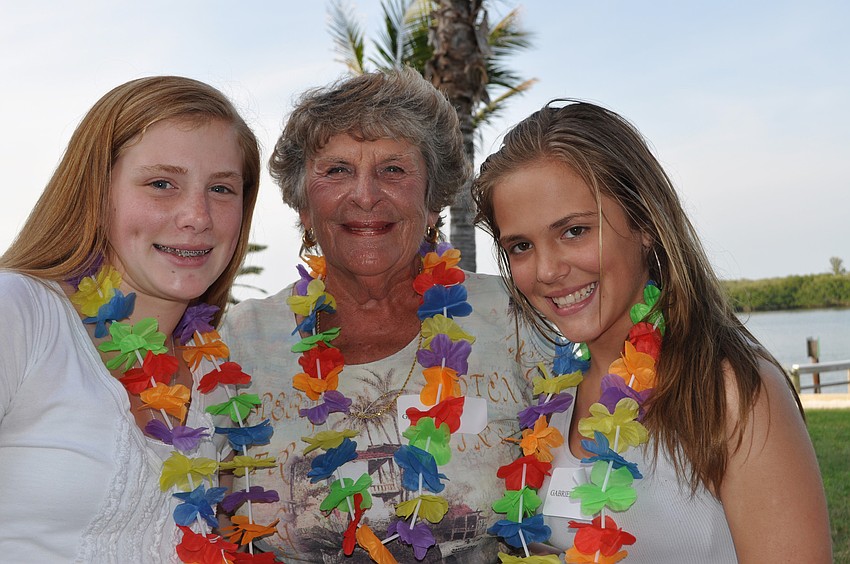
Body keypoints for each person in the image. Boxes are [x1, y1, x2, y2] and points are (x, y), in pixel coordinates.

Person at [472, 101, 832, 563]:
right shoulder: (548, 397)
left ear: (645, 223)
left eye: (575, 231)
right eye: (520, 246)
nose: (546, 270)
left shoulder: (730, 390)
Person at [221, 67, 548, 563]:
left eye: (393, 169)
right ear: (304, 207)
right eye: (336, 170)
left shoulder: (517, 316)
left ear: (433, 200)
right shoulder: (237, 342)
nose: (366, 195)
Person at [0, 76, 263, 562]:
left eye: (222, 188)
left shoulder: (217, 379)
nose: (197, 215)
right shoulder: (21, 312)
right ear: (96, 192)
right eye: (162, 183)